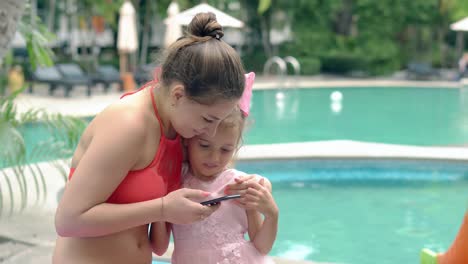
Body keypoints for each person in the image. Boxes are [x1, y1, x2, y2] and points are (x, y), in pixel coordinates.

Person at [53, 12, 247, 264]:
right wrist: (163, 208)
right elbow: (68, 220)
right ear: (178, 95)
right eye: (208, 120)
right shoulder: (128, 124)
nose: (209, 132)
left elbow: (158, 243)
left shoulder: (178, 130)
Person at [152, 72, 279, 263]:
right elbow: (160, 247)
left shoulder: (240, 185)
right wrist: (161, 203)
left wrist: (272, 214)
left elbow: (262, 246)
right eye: (204, 146)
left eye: (226, 149)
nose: (214, 157)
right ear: (188, 139)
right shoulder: (175, 182)